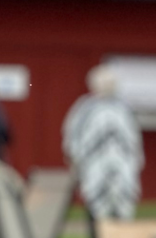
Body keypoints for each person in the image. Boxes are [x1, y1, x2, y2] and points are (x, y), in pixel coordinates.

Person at [62, 65, 144, 225]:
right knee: (94, 197)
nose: (107, 86)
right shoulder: (85, 108)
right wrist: (74, 155)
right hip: (93, 164)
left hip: (122, 164)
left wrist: (134, 158)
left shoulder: (124, 109)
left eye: (110, 83)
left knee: (122, 196)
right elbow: (73, 132)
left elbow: (133, 137)